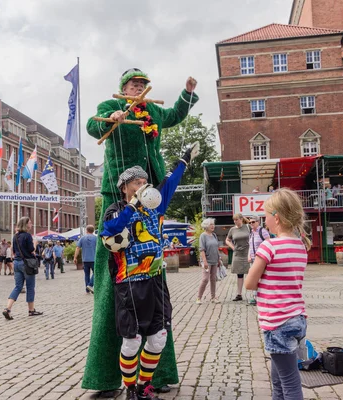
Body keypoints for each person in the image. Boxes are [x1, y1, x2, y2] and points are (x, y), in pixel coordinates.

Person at [83, 69, 199, 396]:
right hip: (119, 201)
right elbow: (93, 125)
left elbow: (175, 115)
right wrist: (111, 119)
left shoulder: (153, 112)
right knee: (112, 285)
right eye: (133, 83)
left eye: (141, 83)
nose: (138, 86)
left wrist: (187, 93)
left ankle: (156, 377)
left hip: (151, 199)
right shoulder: (110, 104)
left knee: (154, 273)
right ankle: (105, 379)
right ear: (123, 88)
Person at [98, 143, 198, 400]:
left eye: (145, 179)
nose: (144, 183)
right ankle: (130, 389)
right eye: (137, 181)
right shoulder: (116, 209)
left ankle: (144, 386)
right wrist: (131, 205)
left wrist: (184, 159)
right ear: (125, 187)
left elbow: (171, 182)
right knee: (131, 342)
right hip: (129, 284)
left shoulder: (157, 207)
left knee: (158, 338)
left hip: (154, 281)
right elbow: (110, 231)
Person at [245, 188, 311, 400]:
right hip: (297, 318)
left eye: (265, 215)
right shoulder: (300, 245)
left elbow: (249, 283)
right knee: (278, 379)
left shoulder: (268, 246)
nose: (264, 220)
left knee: (290, 383)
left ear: (277, 218)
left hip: (277, 322)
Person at [2, 217, 42, 320]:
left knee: (18, 287)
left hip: (17, 263)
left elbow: (14, 250)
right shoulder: (27, 236)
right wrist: (35, 244)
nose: (31, 224)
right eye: (30, 223)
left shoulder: (15, 237)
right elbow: (31, 250)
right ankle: (31, 310)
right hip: (27, 263)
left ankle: (7, 308)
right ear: (25, 224)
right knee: (30, 286)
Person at [226, 213, 250, 302]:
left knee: (251, 272)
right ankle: (239, 294)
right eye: (234, 220)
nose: (235, 221)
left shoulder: (248, 227)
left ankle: (255, 294)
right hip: (238, 254)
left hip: (248, 253)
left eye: (236, 219)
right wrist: (233, 247)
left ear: (241, 219)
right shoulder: (232, 230)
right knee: (239, 274)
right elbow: (227, 240)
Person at [197, 218, 221, 304]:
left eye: (213, 224)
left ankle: (213, 297)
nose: (213, 226)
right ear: (206, 226)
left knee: (213, 279)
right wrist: (204, 261)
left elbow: (216, 248)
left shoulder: (214, 235)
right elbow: (202, 249)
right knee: (205, 279)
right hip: (207, 261)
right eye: (211, 224)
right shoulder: (203, 236)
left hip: (215, 260)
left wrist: (219, 259)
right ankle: (199, 298)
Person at [247, 216, 269, 305]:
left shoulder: (262, 231)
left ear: (258, 222)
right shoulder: (251, 233)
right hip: (253, 259)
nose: (251, 224)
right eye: (250, 222)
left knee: (262, 278)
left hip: (261, 259)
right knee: (254, 278)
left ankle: (263, 296)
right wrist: (248, 255)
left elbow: (268, 243)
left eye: (253, 222)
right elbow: (250, 246)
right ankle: (255, 297)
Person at [75, 225, 97, 294]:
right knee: (96, 273)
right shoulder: (96, 238)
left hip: (85, 259)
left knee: (86, 275)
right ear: (93, 231)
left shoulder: (82, 238)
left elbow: (78, 248)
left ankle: (87, 289)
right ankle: (90, 285)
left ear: (86, 230)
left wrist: (75, 257)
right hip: (94, 259)